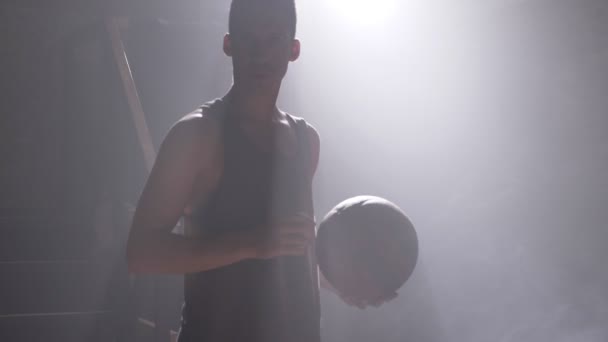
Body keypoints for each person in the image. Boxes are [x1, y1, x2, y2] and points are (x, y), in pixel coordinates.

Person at [126, 0, 322, 341]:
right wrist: (250, 242)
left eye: (273, 38)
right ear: (229, 44)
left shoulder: (307, 140)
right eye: (250, 38)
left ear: (293, 49)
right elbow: (141, 253)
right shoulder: (197, 135)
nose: (261, 52)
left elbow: (298, 254)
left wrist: (350, 275)